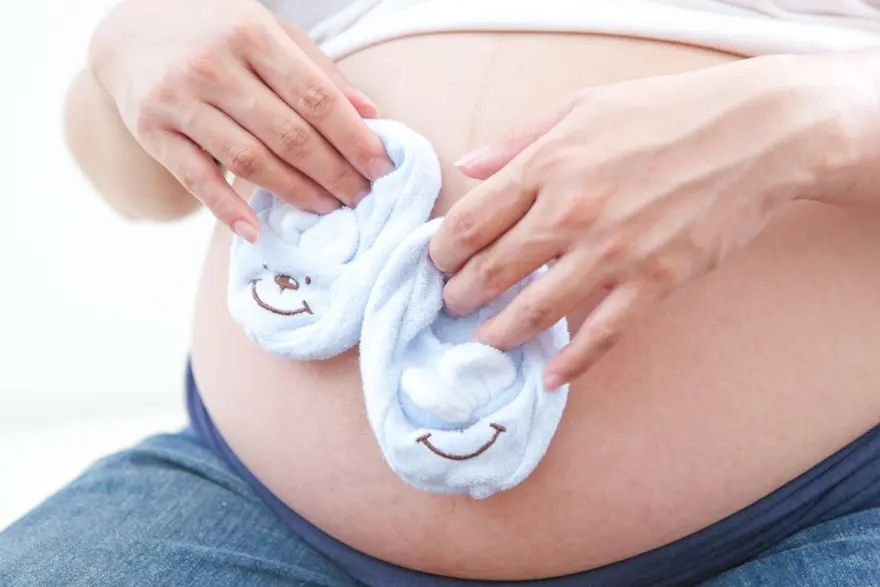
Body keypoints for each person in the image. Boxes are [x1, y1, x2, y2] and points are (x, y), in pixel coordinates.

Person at [3, 0, 880, 585]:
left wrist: (803, 117)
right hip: (254, 506)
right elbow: (137, 188)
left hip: (820, 508)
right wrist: (126, 51)